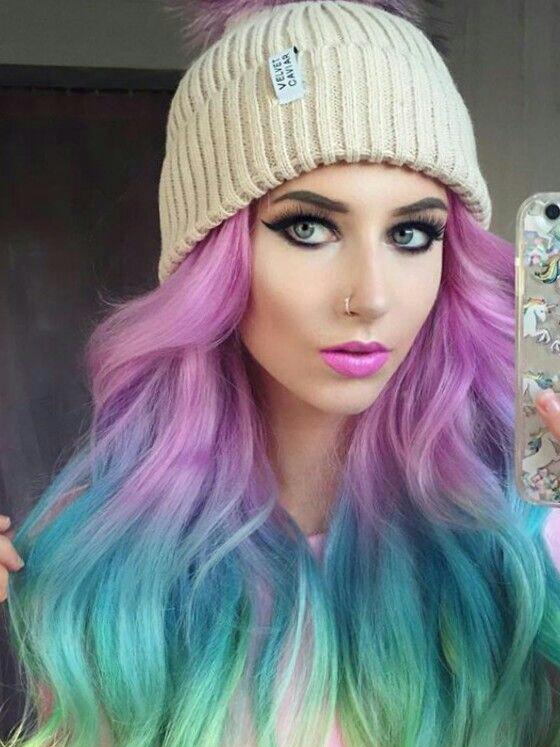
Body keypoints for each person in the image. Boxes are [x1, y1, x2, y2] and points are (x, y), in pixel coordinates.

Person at [3, 1, 560, 746]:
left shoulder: (520, 536)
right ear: (213, 258)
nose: (371, 296)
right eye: (308, 226)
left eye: (411, 233)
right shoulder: (98, 558)